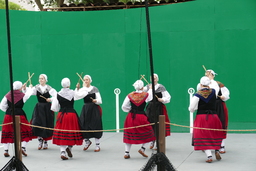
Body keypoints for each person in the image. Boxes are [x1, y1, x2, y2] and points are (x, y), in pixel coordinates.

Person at [189, 76, 225, 163]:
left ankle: (209, 155)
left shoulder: (198, 94)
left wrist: (195, 108)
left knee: (202, 136)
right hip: (214, 116)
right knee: (214, 133)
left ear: (201, 84)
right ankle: (216, 150)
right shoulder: (214, 92)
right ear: (209, 84)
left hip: (202, 117)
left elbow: (191, 108)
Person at [197, 69, 230, 153]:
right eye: (206, 74)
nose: (208, 75)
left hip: (218, 106)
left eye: (209, 74)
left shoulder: (218, 84)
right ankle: (206, 145)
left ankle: (221, 145)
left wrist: (223, 96)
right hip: (207, 107)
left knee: (221, 124)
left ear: (213, 75)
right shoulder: (201, 85)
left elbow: (226, 93)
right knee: (207, 125)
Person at [122, 80, 155, 159]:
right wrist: (150, 89)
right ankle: (142, 149)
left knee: (129, 133)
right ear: (142, 87)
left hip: (131, 116)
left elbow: (123, 106)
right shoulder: (146, 94)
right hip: (141, 117)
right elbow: (151, 98)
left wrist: (130, 109)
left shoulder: (130, 95)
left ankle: (127, 153)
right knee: (149, 132)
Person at [51, 78, 83, 160]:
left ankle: (62, 152)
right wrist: (78, 88)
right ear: (69, 84)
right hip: (71, 114)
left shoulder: (58, 94)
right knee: (71, 132)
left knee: (62, 133)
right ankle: (69, 148)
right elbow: (80, 95)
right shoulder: (73, 92)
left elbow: (54, 107)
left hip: (62, 115)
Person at [0, 81, 33, 157]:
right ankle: (23, 148)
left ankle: (6, 150)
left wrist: (9, 110)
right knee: (26, 130)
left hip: (9, 115)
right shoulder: (23, 95)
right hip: (19, 115)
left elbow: (1, 106)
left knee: (7, 131)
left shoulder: (8, 95)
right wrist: (29, 88)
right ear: (20, 87)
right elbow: (29, 94)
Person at [74, 75, 103, 152]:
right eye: (84, 80)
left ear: (90, 80)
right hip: (86, 109)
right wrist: (77, 88)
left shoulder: (94, 89)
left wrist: (95, 101)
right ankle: (87, 141)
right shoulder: (82, 90)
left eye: (87, 80)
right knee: (83, 125)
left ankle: (97, 145)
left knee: (95, 125)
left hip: (94, 109)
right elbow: (76, 97)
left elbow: (100, 100)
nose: (85, 81)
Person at [143, 73, 171, 149]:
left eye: (155, 78)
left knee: (158, 124)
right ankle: (152, 140)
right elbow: (145, 97)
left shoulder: (161, 87)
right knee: (150, 123)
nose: (153, 79)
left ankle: (158, 142)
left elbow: (168, 96)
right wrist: (150, 89)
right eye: (152, 78)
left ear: (157, 79)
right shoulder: (148, 87)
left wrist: (162, 99)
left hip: (159, 107)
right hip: (150, 107)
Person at [29, 74, 57, 150]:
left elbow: (56, 96)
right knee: (36, 123)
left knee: (46, 124)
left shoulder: (49, 88)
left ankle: (45, 142)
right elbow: (29, 93)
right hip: (39, 108)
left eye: (42, 78)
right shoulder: (36, 88)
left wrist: (50, 99)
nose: (40, 80)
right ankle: (40, 140)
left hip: (47, 108)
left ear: (45, 80)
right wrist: (27, 88)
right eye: (40, 78)